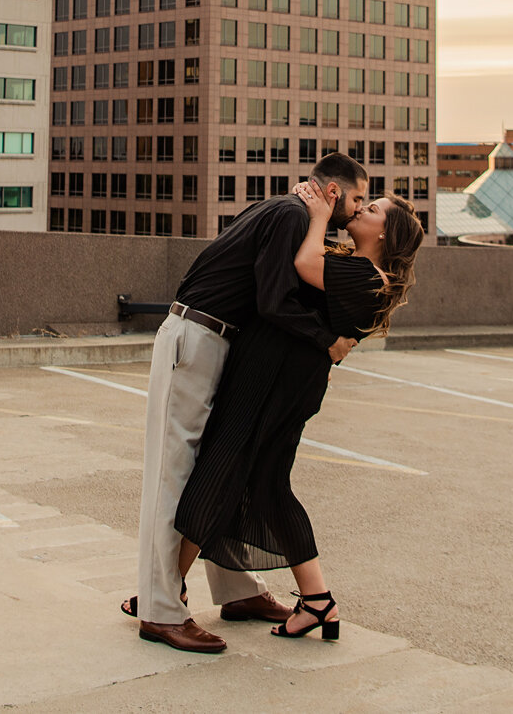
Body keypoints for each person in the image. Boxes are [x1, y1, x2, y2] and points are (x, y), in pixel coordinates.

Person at [126, 152, 371, 654]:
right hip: (195, 338)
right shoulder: (289, 215)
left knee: (219, 469)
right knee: (173, 476)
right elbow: (274, 300)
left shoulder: (288, 215)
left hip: (216, 343)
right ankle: (159, 610)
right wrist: (329, 340)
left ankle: (237, 591)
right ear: (332, 193)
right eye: (358, 198)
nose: (357, 209)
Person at [172, 183, 424, 644]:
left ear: (385, 235)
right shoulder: (357, 267)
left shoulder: (369, 275)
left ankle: (167, 590)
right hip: (282, 379)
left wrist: (315, 216)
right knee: (266, 485)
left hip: (274, 382)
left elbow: (304, 265)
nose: (361, 210)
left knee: (219, 471)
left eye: (371, 210)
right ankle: (317, 599)